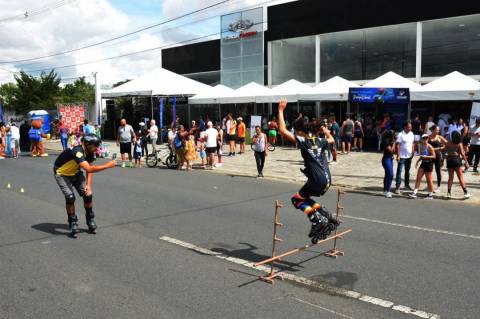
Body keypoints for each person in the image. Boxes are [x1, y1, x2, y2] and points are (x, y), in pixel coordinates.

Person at [277, 99, 339, 243]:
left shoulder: (303, 142)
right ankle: (324, 213)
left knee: (296, 200)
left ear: (300, 132)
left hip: (317, 179)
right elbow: (331, 140)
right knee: (302, 197)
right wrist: (326, 131)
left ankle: (317, 219)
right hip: (327, 180)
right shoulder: (320, 140)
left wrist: (280, 110)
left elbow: (282, 131)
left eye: (297, 132)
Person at [53, 134, 116, 237]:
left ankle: (90, 219)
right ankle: (72, 222)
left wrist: (88, 185)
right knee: (70, 198)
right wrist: (108, 165)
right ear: (87, 144)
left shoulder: (90, 152)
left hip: (75, 172)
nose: (97, 148)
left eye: (97, 145)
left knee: (88, 194)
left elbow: (89, 169)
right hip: (62, 173)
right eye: (95, 145)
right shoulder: (78, 151)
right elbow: (89, 169)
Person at [445, 131, 472, 199]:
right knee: (460, 177)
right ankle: (465, 192)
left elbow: (445, 151)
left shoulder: (448, 143)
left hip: (449, 159)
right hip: (456, 159)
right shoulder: (459, 143)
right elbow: (462, 153)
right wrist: (466, 162)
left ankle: (449, 193)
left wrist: (442, 159)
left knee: (450, 177)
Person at [409, 134, 436, 200]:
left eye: (426, 138)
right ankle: (415, 192)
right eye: (424, 138)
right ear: (422, 139)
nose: (425, 139)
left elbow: (434, 156)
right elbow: (421, 156)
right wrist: (417, 162)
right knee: (418, 177)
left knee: (429, 180)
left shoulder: (430, 147)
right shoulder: (421, 146)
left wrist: (426, 157)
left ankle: (430, 195)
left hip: (429, 164)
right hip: (423, 163)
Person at [394, 121, 415, 194]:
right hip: (402, 156)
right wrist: (398, 155)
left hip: (409, 156)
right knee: (399, 171)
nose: (411, 128)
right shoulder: (400, 134)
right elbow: (398, 145)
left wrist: (413, 151)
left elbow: (412, 143)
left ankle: (406, 185)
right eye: (409, 127)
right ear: (405, 127)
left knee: (407, 171)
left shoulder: (411, 134)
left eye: (411, 127)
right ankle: (397, 187)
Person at [428, 125, 448, 193]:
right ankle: (430, 185)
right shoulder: (428, 137)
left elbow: (447, 144)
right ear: (433, 130)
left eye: (438, 130)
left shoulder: (439, 137)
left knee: (438, 171)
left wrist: (440, 148)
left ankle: (438, 186)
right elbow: (424, 144)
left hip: (438, 155)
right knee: (429, 171)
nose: (438, 131)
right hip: (430, 156)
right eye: (437, 130)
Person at [381, 130, 395, 198]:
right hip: (386, 159)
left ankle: (385, 190)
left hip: (390, 159)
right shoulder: (386, 141)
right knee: (390, 174)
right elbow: (391, 150)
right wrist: (394, 143)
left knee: (387, 175)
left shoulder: (389, 141)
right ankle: (388, 191)